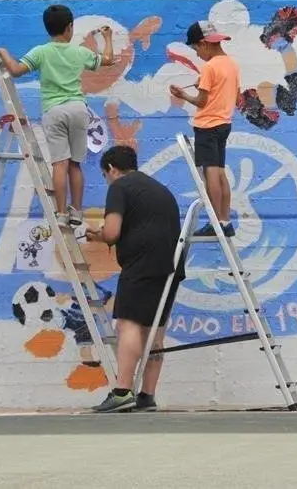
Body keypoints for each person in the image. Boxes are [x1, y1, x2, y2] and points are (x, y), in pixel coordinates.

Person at [0, 4, 115, 228]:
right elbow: (108, 60)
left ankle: (60, 213)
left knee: (60, 163)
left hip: (54, 110)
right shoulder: (79, 52)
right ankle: (76, 211)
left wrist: (3, 52)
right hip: (78, 109)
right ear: (69, 28)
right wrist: (108, 38)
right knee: (75, 164)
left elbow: (16, 70)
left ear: (48, 28)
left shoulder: (41, 51)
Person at [85, 145, 184, 412]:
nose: (107, 180)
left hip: (141, 264)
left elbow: (113, 232)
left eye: (105, 175)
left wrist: (99, 235)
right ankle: (146, 396)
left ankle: (121, 392)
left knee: (127, 326)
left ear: (111, 169)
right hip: (170, 265)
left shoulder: (120, 187)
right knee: (154, 332)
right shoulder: (157, 189)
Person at [169, 20, 240, 237]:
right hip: (224, 124)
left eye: (195, 49)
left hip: (207, 126)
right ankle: (225, 220)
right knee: (220, 172)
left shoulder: (209, 67)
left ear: (203, 44)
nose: (197, 54)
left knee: (210, 173)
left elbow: (201, 102)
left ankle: (215, 222)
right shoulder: (231, 64)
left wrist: (182, 95)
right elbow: (235, 95)